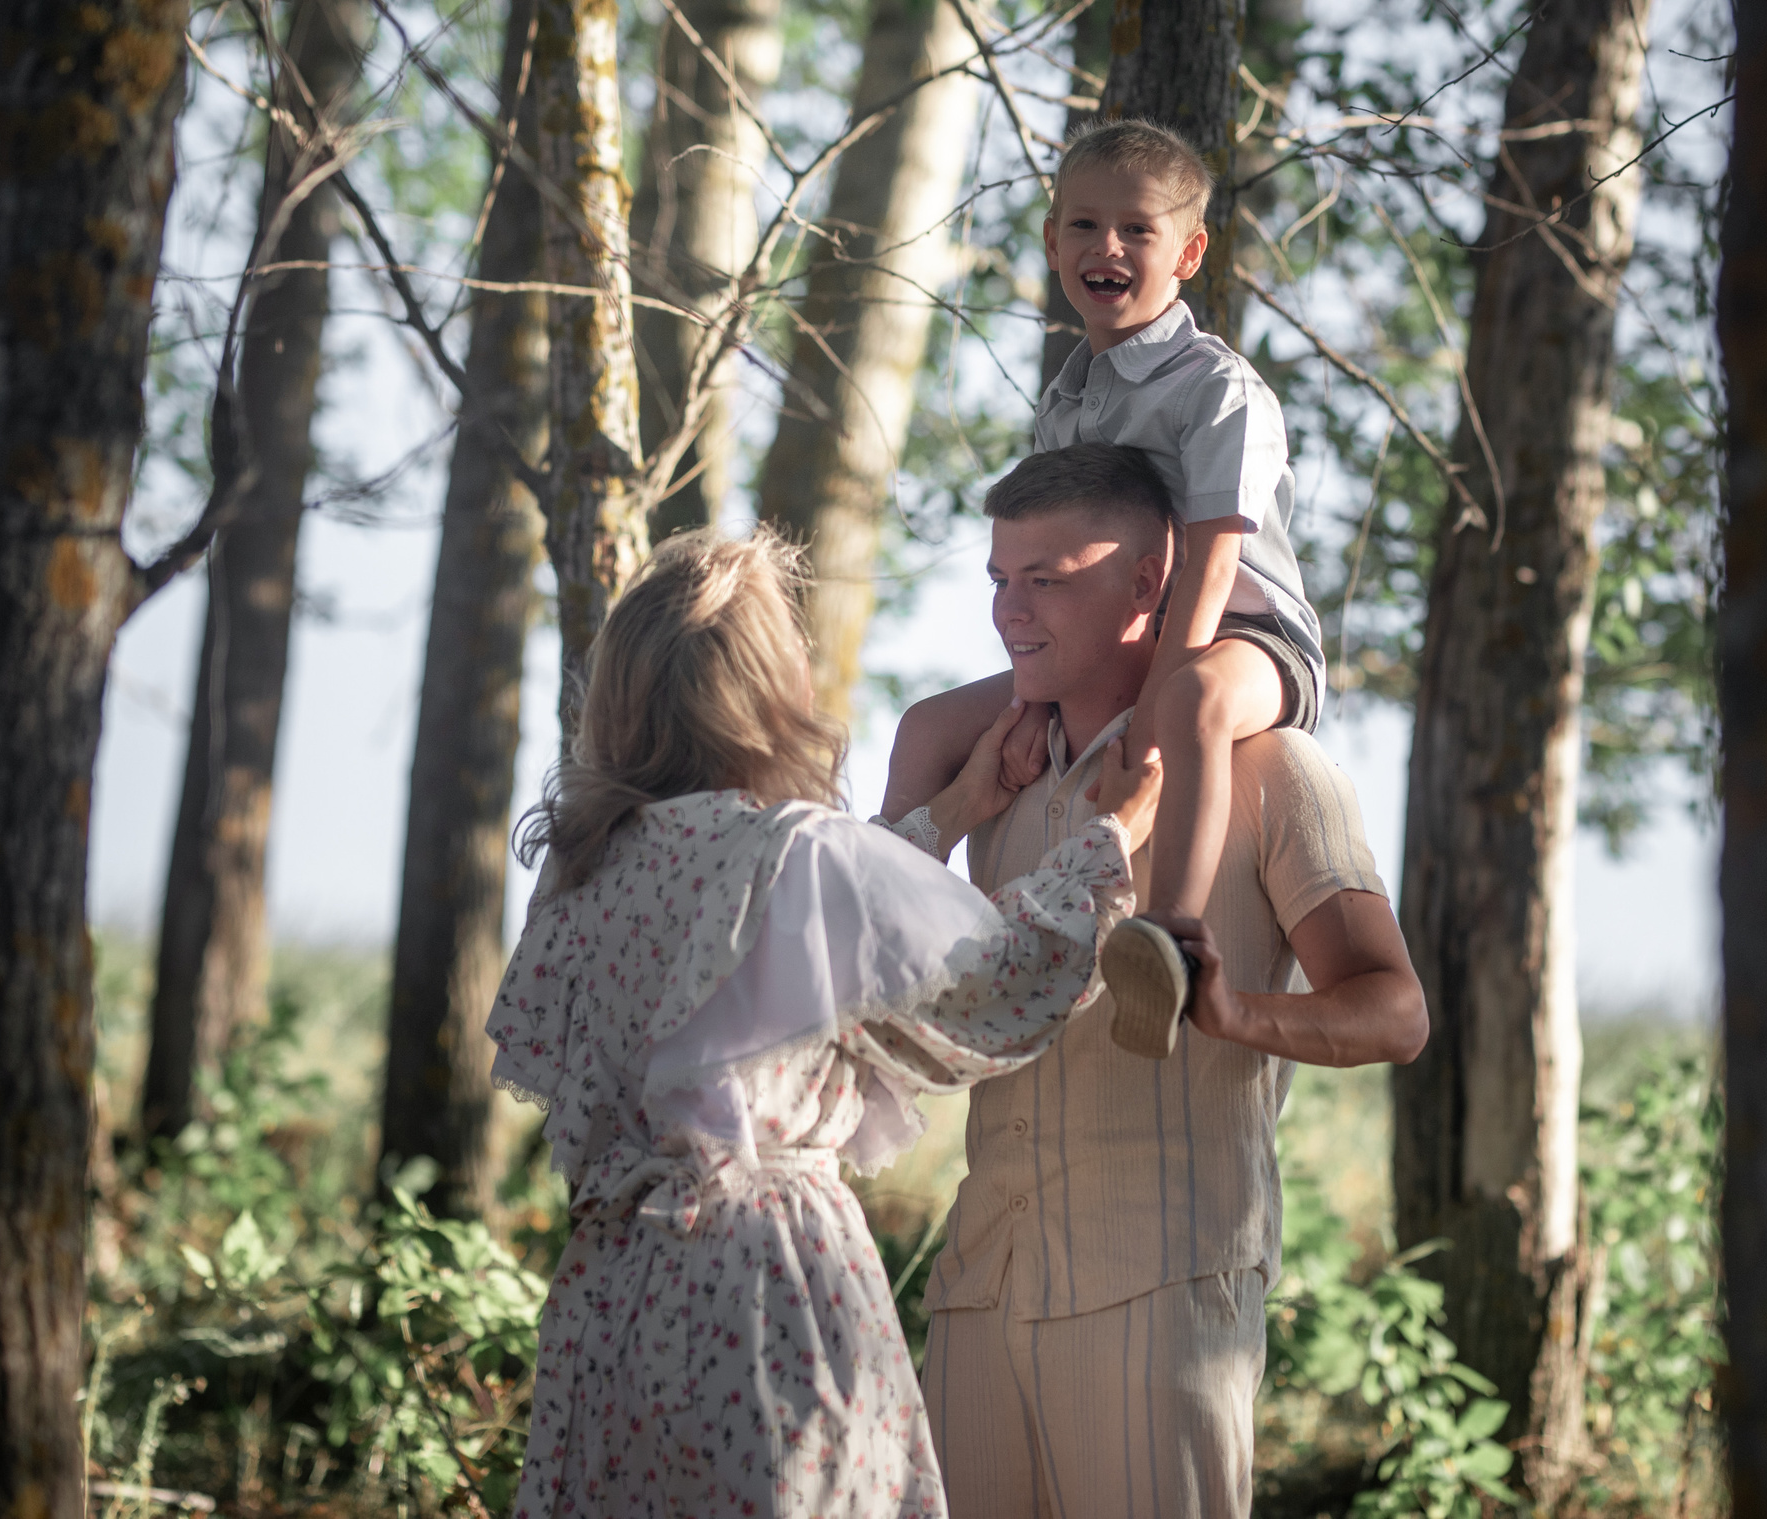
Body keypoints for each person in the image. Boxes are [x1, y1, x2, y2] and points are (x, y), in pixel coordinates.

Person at [484, 529, 1161, 1518]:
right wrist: (1107, 840)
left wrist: (956, 808)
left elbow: (781, 947)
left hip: (614, 1297)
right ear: (766, 686)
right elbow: (1002, 982)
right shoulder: (799, 851)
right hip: (759, 1286)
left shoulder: (592, 871)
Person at [888, 445, 1426, 1519]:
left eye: (1048, 578)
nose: (1010, 611)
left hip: (1164, 1284)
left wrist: (1231, 1010)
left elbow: (1395, 1009)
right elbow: (867, 968)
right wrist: (951, 809)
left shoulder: (1273, 770)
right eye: (1000, 578)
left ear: (1149, 583)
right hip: (981, 1279)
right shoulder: (989, 772)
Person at [880, 118, 1329, 1061]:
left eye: (1137, 230)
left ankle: (1169, 937)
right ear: (1051, 243)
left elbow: (1210, 565)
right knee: (929, 723)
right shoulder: (1067, 402)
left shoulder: (1219, 390)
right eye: (1083, 227)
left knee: (1199, 697)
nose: (1106, 248)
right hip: (1119, 642)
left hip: (1246, 637)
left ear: (1190, 251)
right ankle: (893, 927)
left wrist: (1153, 714)